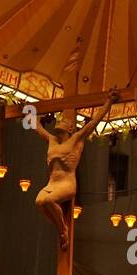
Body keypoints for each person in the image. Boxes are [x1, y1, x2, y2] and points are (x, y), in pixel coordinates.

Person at [32, 89, 119, 250]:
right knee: (39, 202)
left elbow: (93, 123)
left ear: (70, 128)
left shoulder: (76, 139)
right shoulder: (52, 140)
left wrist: (108, 103)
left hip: (66, 182)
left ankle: (63, 230)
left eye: (63, 122)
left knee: (48, 201)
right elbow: (36, 127)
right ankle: (59, 227)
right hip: (52, 183)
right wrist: (29, 112)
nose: (59, 124)